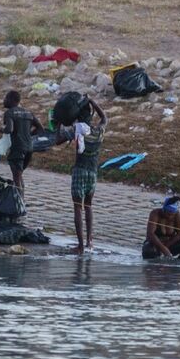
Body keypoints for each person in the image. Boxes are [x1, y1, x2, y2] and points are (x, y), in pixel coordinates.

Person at [71, 98, 107, 253]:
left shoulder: (77, 129)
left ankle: (79, 245)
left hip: (79, 170)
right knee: (88, 206)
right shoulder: (99, 131)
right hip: (93, 172)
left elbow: (58, 138)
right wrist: (93, 102)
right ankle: (89, 242)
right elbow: (105, 118)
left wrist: (58, 126)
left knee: (78, 208)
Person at [0, 90, 44, 197]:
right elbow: (40, 128)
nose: (4, 100)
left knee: (17, 177)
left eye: (6, 98)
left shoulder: (9, 113)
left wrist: (2, 129)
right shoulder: (28, 113)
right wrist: (28, 134)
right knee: (19, 175)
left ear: (11, 100)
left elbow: (10, 129)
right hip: (29, 148)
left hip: (17, 148)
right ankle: (20, 201)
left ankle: (19, 204)